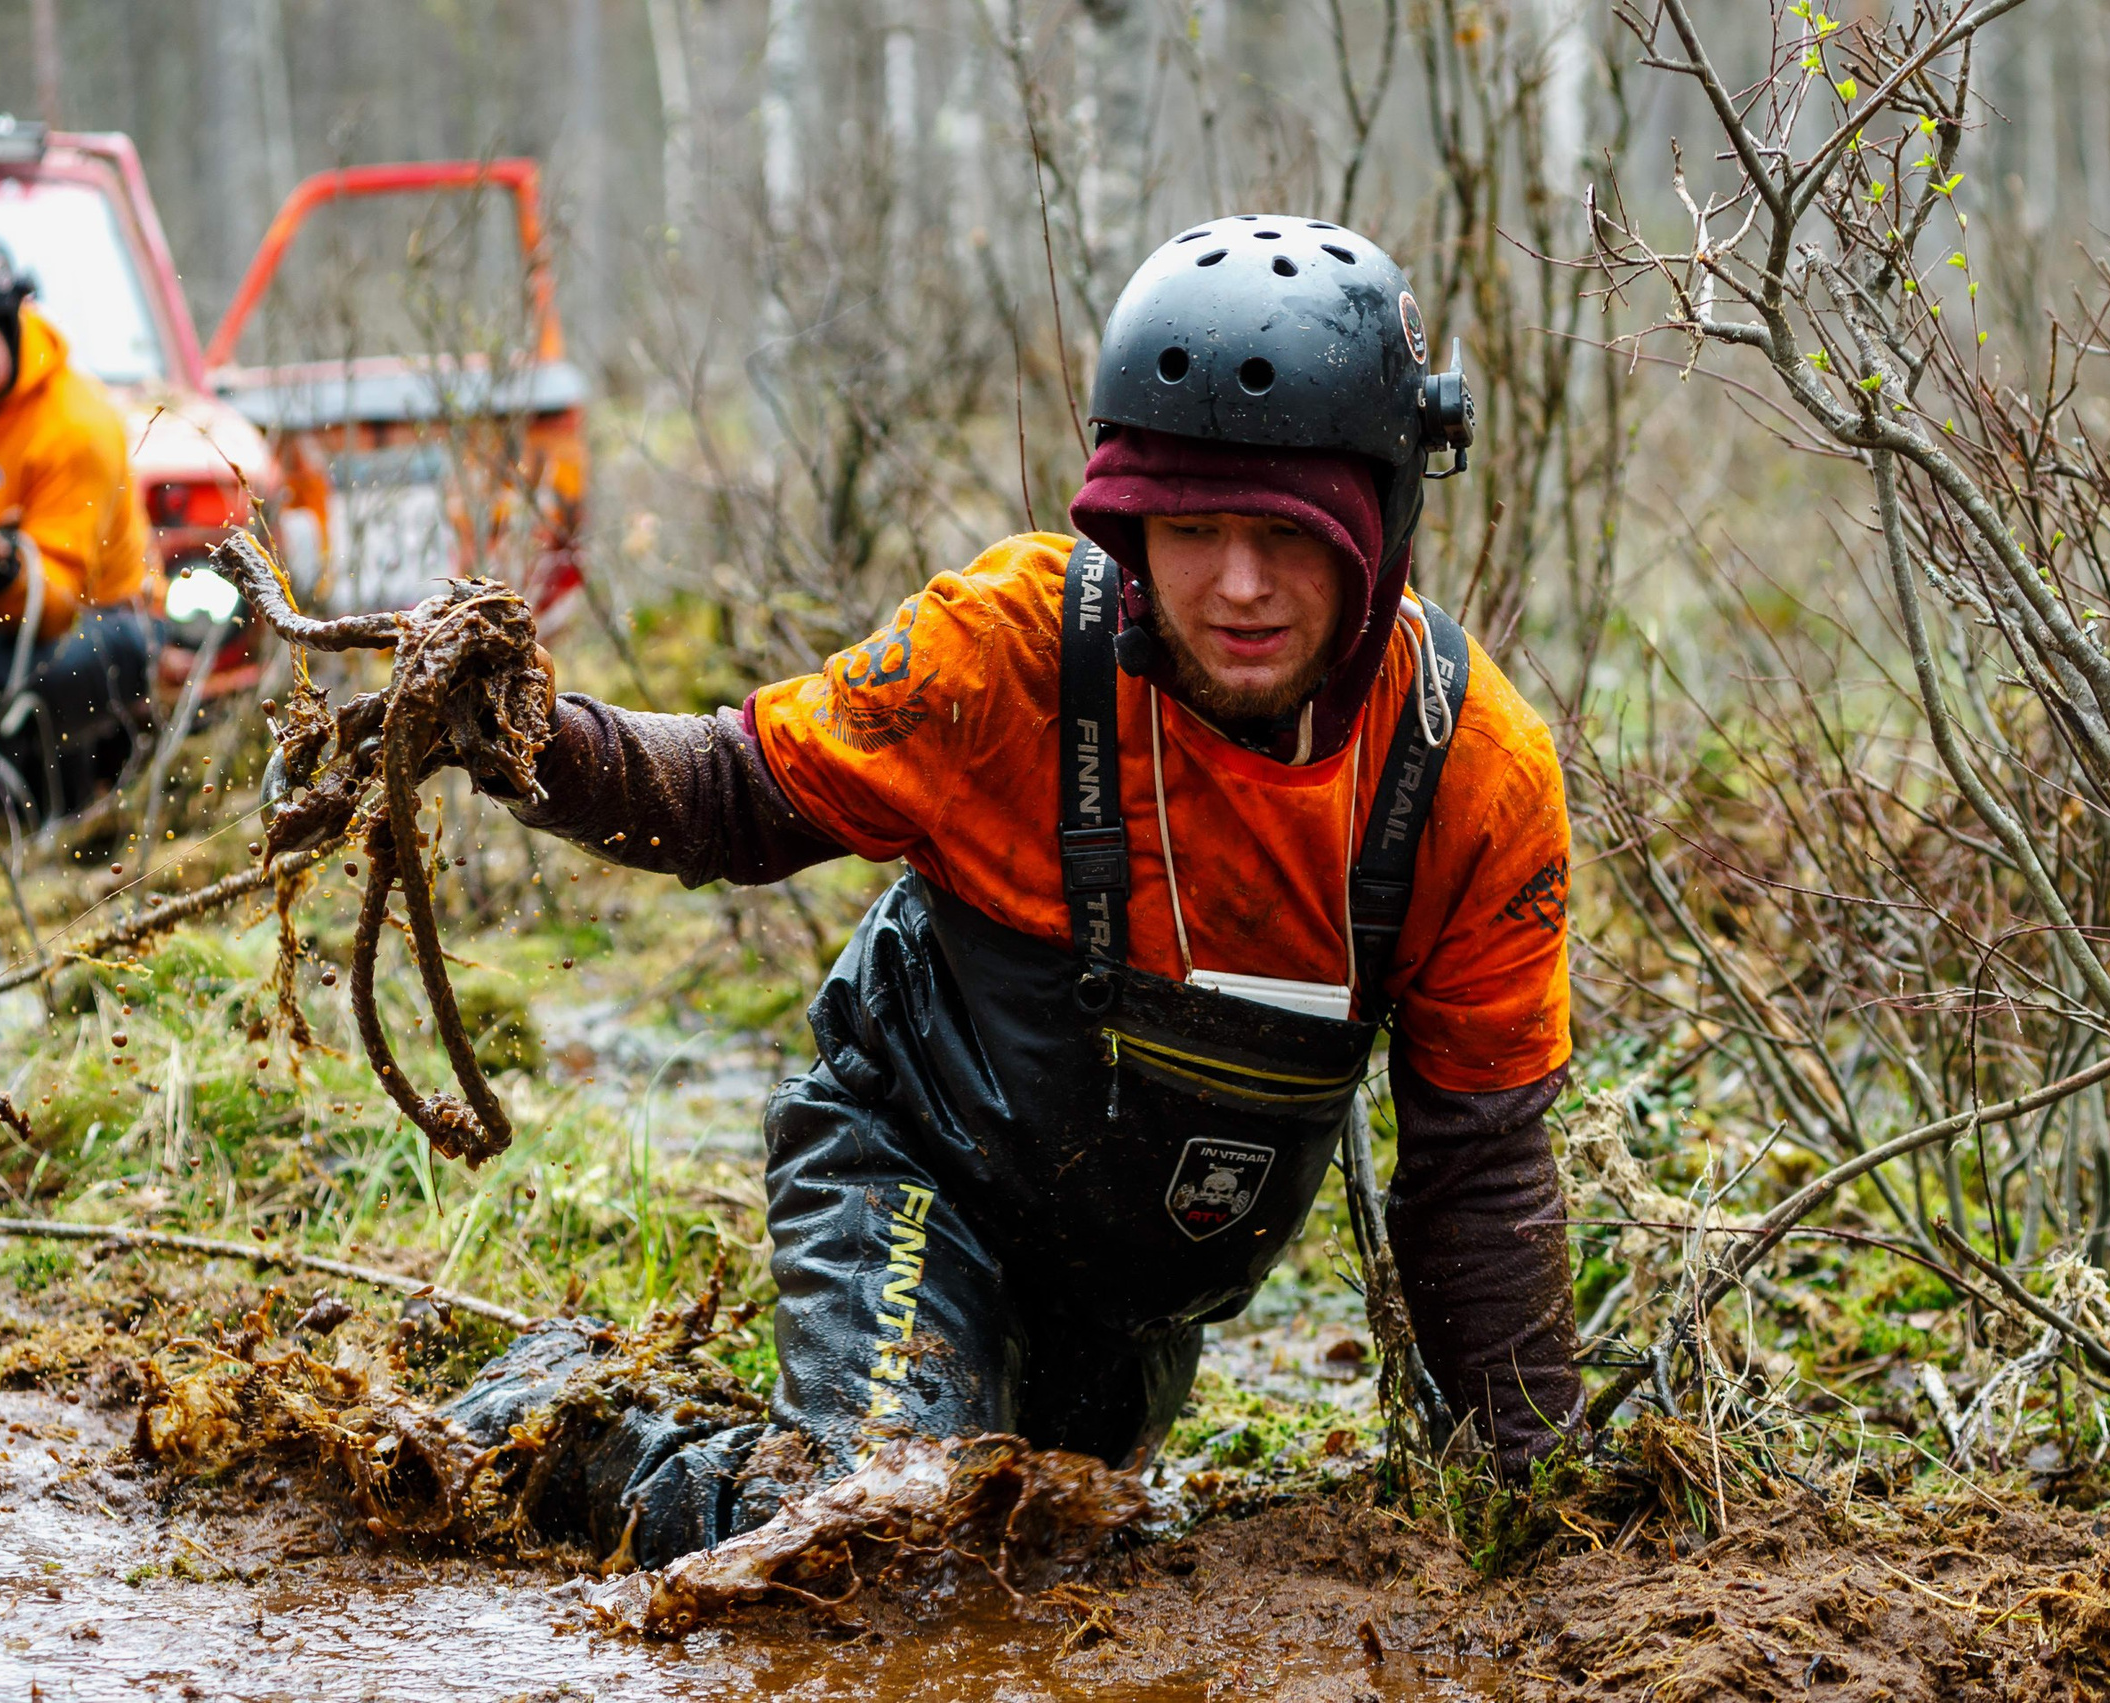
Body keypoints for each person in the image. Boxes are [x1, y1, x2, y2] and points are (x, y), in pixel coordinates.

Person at [452, 217, 1585, 1566]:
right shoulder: (1009, 651)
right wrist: (528, 738)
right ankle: (552, 1422)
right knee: (888, 1538)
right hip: (910, 1168)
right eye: (1194, 528)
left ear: (1380, 525)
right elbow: (736, 791)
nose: (1237, 585)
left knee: (1040, 1546)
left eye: (1285, 536)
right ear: (1128, 517)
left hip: (1136, 1303)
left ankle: (701, 1442)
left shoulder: (1473, 772)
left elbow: (1479, 1166)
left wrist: (1536, 1501)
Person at [0, 233, 155, 822]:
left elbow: (53, 605)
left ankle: (38, 822)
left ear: (12, 323)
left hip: (102, 624)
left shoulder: (74, 427)